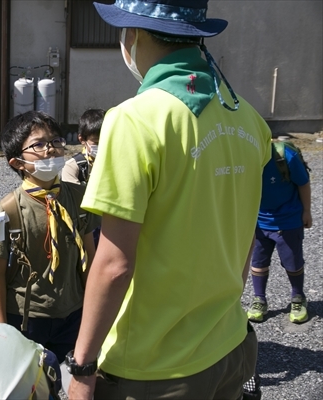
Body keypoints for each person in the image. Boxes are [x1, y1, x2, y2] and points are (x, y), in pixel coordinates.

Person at [66, 1, 272, 399]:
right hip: (229, 343)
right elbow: (245, 231)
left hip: (154, 367)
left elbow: (113, 264)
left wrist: (83, 367)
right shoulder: (248, 117)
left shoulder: (134, 120)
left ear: (135, 34)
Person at [0, 111, 100, 363]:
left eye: (56, 141)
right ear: (17, 163)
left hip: (73, 312)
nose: (51, 149)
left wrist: (94, 309)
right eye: (38, 144)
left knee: (64, 380)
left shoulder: (79, 198)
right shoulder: (10, 208)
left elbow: (90, 256)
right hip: (25, 317)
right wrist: (1, 331)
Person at [247, 141, 312, 323]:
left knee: (292, 262)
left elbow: (304, 183)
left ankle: (298, 297)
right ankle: (259, 298)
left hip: (289, 220)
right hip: (259, 222)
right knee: (258, 262)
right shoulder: (243, 158)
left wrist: (306, 211)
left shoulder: (284, 157)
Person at [62, 108, 105, 185]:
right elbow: (74, 195)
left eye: (106, 141)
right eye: (97, 142)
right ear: (82, 139)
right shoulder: (73, 167)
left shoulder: (118, 163)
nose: (102, 146)